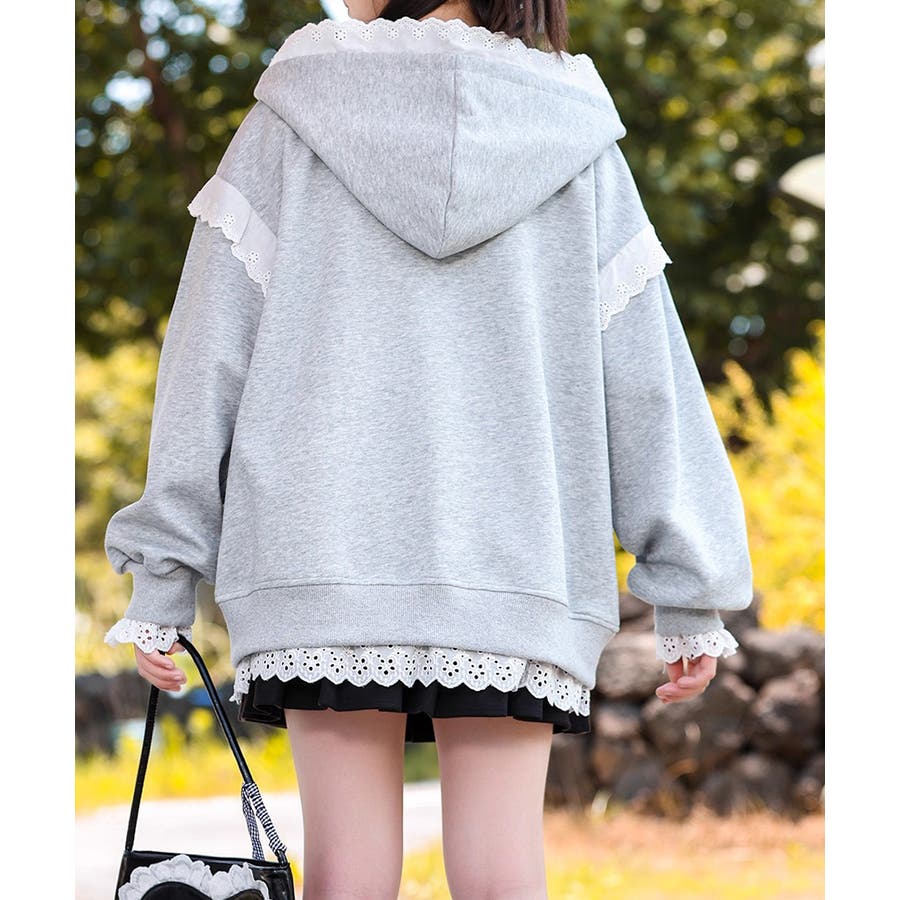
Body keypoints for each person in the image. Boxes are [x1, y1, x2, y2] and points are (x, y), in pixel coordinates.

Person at [102, 0, 754, 896]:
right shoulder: (576, 142)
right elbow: (648, 382)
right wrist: (691, 585)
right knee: (502, 874)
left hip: (318, 560)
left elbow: (206, 354)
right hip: (518, 566)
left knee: (347, 875)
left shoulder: (290, 118)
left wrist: (165, 571)